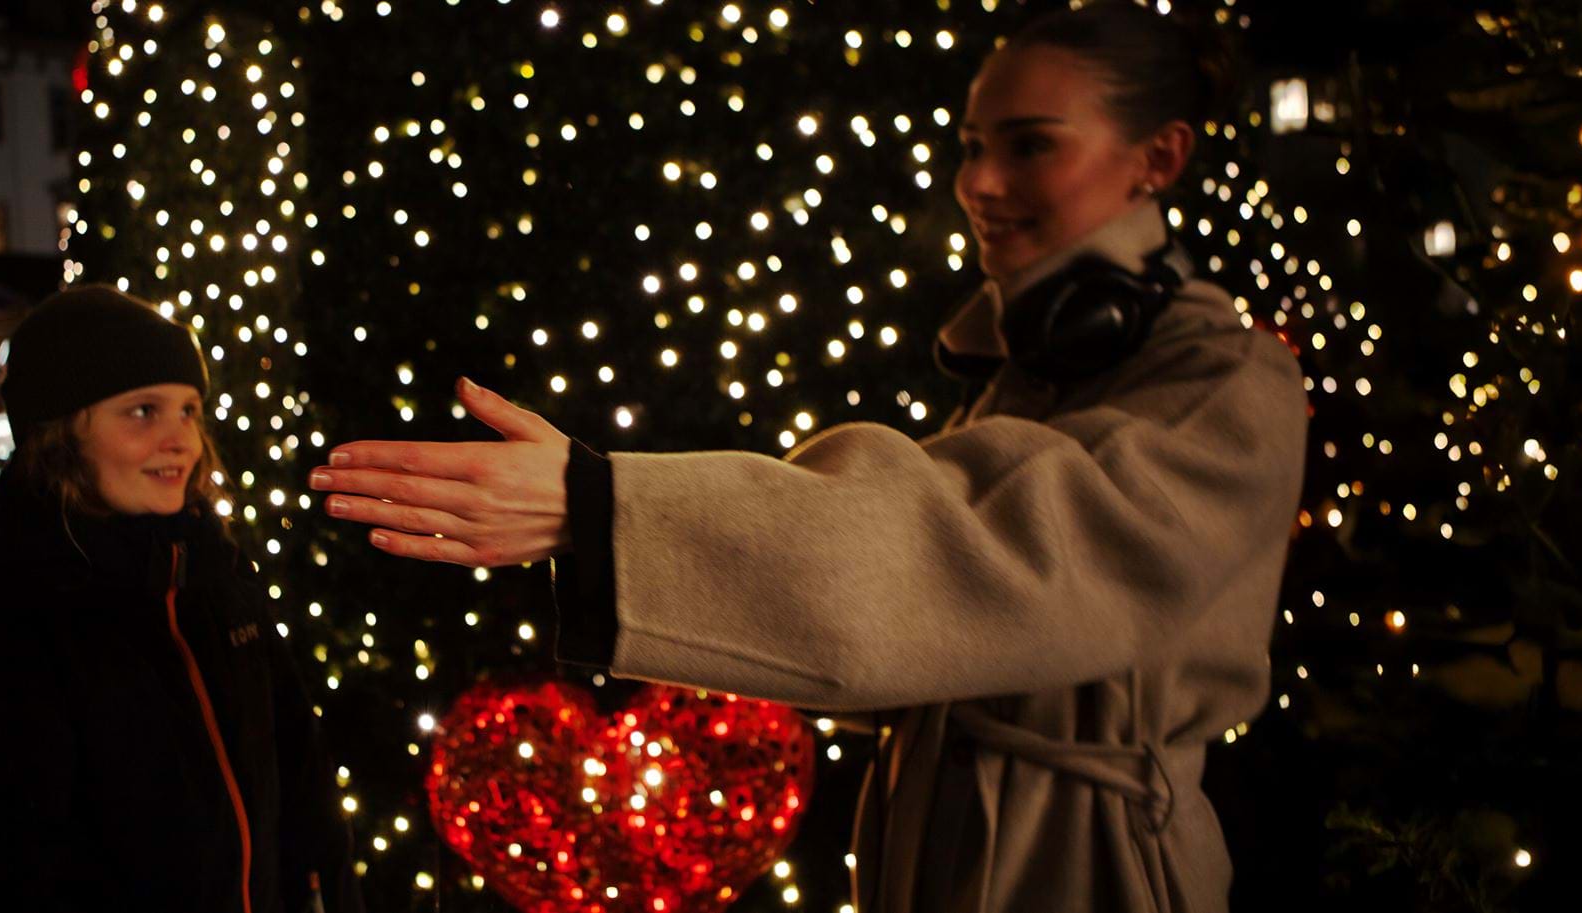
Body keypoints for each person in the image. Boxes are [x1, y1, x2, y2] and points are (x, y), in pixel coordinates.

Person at [310, 7, 1301, 911]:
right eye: (971, 148)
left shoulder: (1229, 384)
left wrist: (605, 505)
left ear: (1159, 157)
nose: (980, 185)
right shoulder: (1032, 367)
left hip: (1096, 875)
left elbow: (983, 552)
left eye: (1031, 146)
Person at [0, 287, 360, 913]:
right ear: (59, 435)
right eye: (143, 411)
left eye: (189, 410)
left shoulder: (219, 585)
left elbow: (303, 789)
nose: (182, 440)